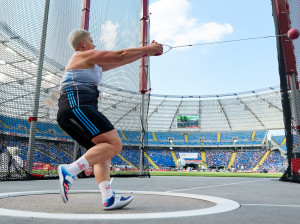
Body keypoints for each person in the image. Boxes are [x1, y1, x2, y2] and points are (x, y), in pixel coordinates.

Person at [57, 29, 163, 210]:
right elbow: (120, 55)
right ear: (83, 43)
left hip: (73, 110)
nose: (94, 44)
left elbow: (119, 61)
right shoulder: (84, 55)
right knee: (115, 145)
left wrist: (146, 52)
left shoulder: (91, 63)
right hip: (77, 107)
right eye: (91, 41)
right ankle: (70, 170)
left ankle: (108, 198)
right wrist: (148, 48)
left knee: (102, 151)